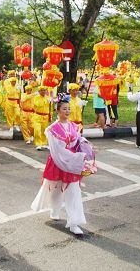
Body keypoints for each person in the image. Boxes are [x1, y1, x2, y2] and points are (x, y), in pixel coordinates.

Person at [31, 99, 92, 235]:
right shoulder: (52, 130)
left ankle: (74, 222)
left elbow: (77, 142)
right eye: (64, 109)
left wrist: (84, 148)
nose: (67, 111)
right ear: (57, 111)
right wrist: (74, 158)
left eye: (69, 108)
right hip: (59, 161)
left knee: (73, 191)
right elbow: (58, 150)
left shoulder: (73, 126)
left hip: (72, 162)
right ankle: (54, 210)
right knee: (55, 187)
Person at [32, 86, 51, 150]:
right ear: (39, 91)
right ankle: (38, 143)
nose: (43, 92)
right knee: (37, 130)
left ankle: (44, 143)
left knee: (44, 131)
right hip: (38, 116)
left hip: (45, 116)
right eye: (42, 90)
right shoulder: (36, 98)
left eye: (44, 90)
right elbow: (37, 104)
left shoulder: (47, 98)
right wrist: (46, 101)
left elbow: (50, 108)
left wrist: (50, 116)